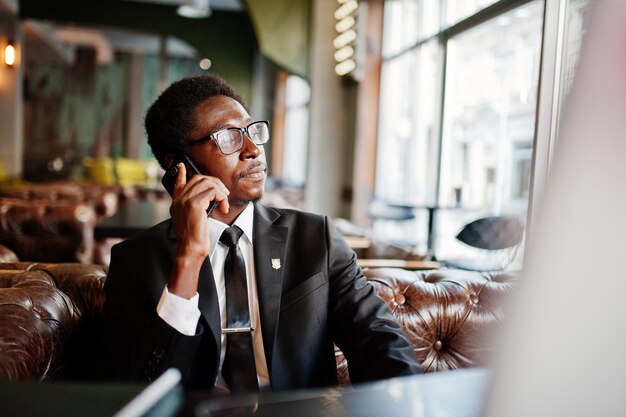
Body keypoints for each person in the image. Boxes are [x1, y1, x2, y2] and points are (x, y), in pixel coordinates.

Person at [103, 74, 421, 394]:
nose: (253, 149)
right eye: (228, 137)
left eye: (252, 131)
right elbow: (135, 388)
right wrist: (188, 259)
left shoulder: (315, 238)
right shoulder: (136, 259)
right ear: (178, 166)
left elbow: (379, 341)